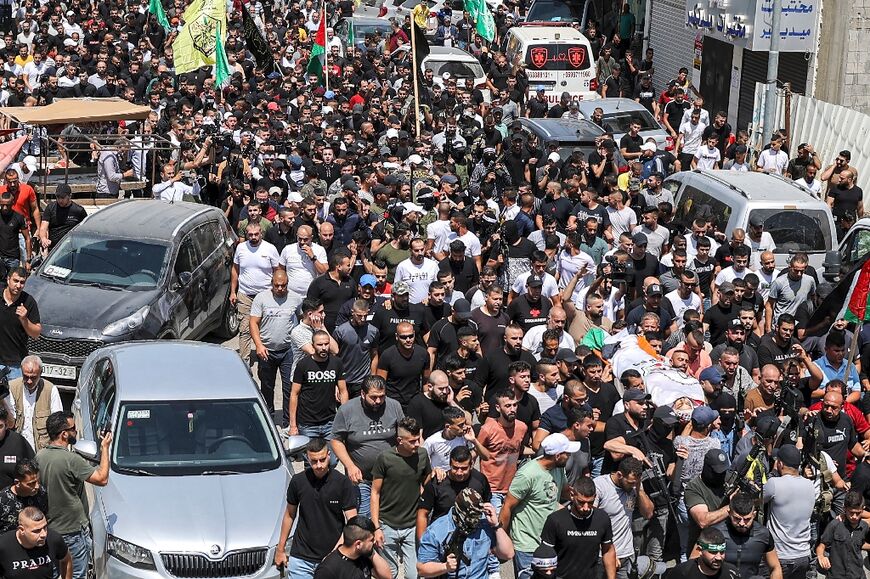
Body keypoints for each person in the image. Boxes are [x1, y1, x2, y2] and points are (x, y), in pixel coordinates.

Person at [35, 412, 111, 579]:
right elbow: (102, 478)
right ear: (64, 434)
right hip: (72, 531)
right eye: (73, 429)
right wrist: (105, 448)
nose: (76, 432)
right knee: (77, 573)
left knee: (54, 573)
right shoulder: (71, 460)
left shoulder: (39, 456)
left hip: (50, 529)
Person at [274, 438, 357, 578]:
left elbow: (352, 522)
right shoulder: (298, 482)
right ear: (307, 458)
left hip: (332, 558)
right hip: (301, 558)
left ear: (329, 455)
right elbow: (289, 515)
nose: (319, 465)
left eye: (322, 459)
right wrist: (280, 549)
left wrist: (335, 554)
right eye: (314, 461)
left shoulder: (342, 483)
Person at [499, 433, 573, 578]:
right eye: (567, 453)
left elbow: (563, 492)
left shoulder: (558, 468)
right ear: (557, 456)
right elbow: (507, 506)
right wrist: (502, 537)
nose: (570, 456)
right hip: (527, 545)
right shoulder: (527, 474)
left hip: (550, 543)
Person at [331, 376, 405, 518]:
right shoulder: (347, 410)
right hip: (361, 478)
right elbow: (336, 440)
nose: (378, 401)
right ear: (363, 394)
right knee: (364, 519)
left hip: (390, 476)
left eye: (382, 397)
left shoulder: (394, 406)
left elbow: (403, 435)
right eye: (374, 397)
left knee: (390, 516)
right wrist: (350, 466)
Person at [371, 417, 432, 579]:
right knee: (389, 574)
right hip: (387, 525)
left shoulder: (422, 455)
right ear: (400, 440)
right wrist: (376, 527)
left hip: (412, 525)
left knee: (414, 575)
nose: (417, 444)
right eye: (412, 441)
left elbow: (427, 483)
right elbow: (375, 493)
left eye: (418, 439)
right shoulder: (385, 458)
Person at [540, 475, 617, 579]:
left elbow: (608, 550)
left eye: (590, 503)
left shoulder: (602, 518)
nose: (586, 508)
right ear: (572, 495)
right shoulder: (555, 520)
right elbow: (545, 557)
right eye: (581, 502)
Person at [689, 492, 782, 578]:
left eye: (747, 519)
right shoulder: (714, 532)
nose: (742, 523)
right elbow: (692, 563)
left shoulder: (763, 534)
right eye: (737, 518)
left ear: (754, 515)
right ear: (729, 513)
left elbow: (775, 567)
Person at [593, 457, 653, 578]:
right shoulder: (600, 485)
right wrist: (609, 552)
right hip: (602, 554)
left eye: (635, 482)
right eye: (630, 482)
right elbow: (591, 521)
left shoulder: (635, 487)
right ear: (620, 474)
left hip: (626, 553)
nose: (632, 486)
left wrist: (639, 489)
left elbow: (648, 513)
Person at [230, 222, 281, 365]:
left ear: (261, 233)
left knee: (266, 329)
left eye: (256, 234)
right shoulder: (240, 248)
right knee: (245, 329)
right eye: (250, 234)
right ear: (246, 234)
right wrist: (233, 292)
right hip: (245, 294)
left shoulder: (270, 249)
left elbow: (277, 271)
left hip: (265, 296)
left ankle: (266, 356)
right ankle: (244, 362)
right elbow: (235, 270)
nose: (253, 237)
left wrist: (276, 292)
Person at [762, 443, 814, 579]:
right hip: (803, 555)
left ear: (780, 463)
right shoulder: (810, 485)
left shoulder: (774, 483)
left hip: (780, 557)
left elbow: (757, 499)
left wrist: (772, 473)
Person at [289, 330, 348, 445]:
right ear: (312, 346)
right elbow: (294, 394)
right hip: (307, 423)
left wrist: (344, 418)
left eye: (326, 344)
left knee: (332, 460)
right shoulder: (303, 365)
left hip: (330, 422)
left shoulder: (336, 363)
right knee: (311, 461)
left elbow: (343, 391)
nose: (324, 348)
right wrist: (293, 425)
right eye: (320, 345)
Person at [250, 270, 296, 417]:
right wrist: (258, 345)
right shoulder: (261, 298)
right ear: (272, 284)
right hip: (266, 350)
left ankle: (287, 421)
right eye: (277, 285)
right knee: (267, 386)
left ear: (287, 284)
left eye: (283, 285)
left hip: (287, 350)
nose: (280, 288)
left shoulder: (295, 299)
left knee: (289, 387)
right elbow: (253, 322)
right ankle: (268, 416)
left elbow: (303, 319)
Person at [7, 355, 62, 451]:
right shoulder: (12, 387)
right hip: (18, 448)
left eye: (33, 377)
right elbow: (10, 423)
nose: (29, 381)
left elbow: (58, 425)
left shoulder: (50, 390)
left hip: (42, 449)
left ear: (41, 373)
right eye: (26, 376)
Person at [0, 507, 72, 579]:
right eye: (36, 531)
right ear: (21, 530)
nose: (43, 534)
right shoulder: (3, 545)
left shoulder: (53, 539)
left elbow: (66, 560)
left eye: (45, 527)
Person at [312, 515, 391, 579]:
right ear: (358, 544)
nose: (374, 542)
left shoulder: (363, 556)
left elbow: (387, 577)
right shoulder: (327, 570)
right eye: (371, 540)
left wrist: (371, 552)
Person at [376, 322, 430, 409]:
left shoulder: (423, 354)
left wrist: (426, 403)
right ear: (397, 337)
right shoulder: (387, 355)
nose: (408, 340)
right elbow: (380, 384)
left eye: (411, 336)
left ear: (414, 334)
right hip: (393, 403)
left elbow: (426, 382)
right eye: (403, 337)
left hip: (414, 402)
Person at [816, 490, 867, 579]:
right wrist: (821, 557)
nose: (854, 516)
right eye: (851, 512)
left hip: (857, 574)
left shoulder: (864, 526)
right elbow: (821, 546)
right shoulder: (835, 525)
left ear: (863, 509)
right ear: (844, 509)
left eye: (858, 513)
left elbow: (860, 544)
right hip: (836, 575)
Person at [0, 267, 40, 380]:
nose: (18, 286)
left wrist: (24, 319)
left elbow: (36, 333)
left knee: (15, 397)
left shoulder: (28, 301)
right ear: (8, 279)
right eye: (15, 281)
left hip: (16, 365)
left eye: (22, 282)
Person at [667, 527, 740, 579]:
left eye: (722, 552)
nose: (718, 557)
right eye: (713, 552)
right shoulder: (682, 573)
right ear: (699, 550)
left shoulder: (732, 573)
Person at [0, 459, 48, 535]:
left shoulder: (41, 493)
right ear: (17, 483)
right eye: (31, 484)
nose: (37, 486)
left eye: (37, 481)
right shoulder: (3, 501)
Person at [36, 185, 85, 256]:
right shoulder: (51, 208)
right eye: (58, 197)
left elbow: (84, 230)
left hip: (70, 249)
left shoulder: (79, 211)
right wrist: (43, 238)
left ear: (70, 196)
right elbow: (43, 227)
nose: (60, 200)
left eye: (63, 198)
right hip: (53, 249)